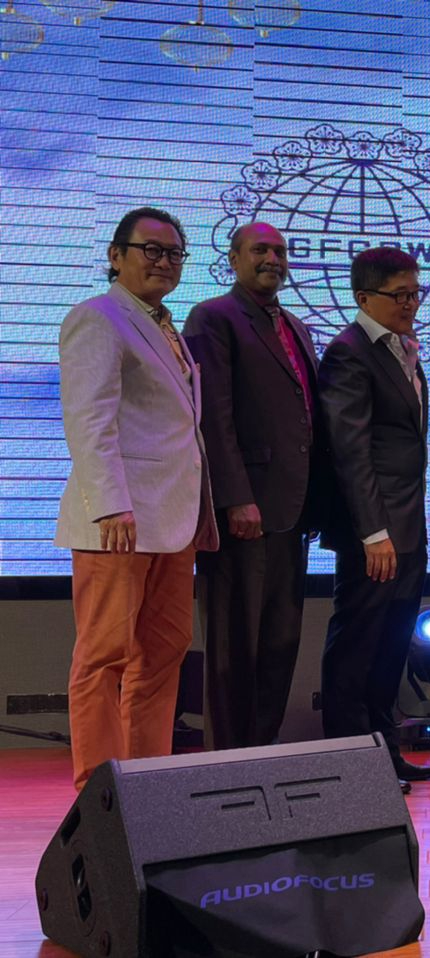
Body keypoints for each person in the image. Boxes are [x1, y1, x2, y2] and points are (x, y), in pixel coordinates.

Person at [55, 207, 217, 790]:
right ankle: (98, 794)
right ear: (116, 256)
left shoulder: (164, 325)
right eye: (150, 249)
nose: (164, 262)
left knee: (164, 653)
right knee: (103, 657)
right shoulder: (98, 318)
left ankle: (150, 785)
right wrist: (109, 505)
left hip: (172, 521)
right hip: (117, 519)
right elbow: (89, 420)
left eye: (174, 253)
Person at [184, 221, 328, 750]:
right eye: (260, 249)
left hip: (291, 512)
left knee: (279, 642)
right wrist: (234, 496)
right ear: (234, 258)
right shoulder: (213, 317)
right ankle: (226, 761)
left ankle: (261, 755)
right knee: (233, 648)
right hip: (245, 510)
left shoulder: (294, 324)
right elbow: (212, 415)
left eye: (280, 251)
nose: (272, 258)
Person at [317, 246, 430, 789]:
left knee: (392, 644)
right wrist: (373, 532)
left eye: (415, 292)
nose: (411, 303)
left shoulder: (402, 348)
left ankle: (384, 754)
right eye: (399, 295)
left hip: (408, 525)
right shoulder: (348, 352)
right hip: (376, 531)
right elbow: (351, 449)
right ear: (363, 297)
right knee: (359, 643)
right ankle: (349, 764)